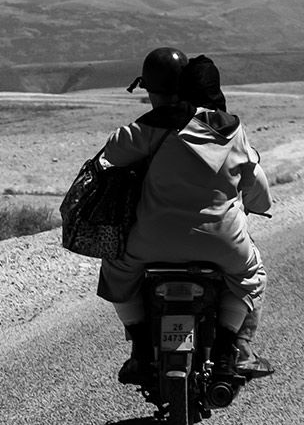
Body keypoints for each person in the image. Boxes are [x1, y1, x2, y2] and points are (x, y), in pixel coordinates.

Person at [95, 47, 274, 384]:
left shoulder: (155, 125)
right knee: (251, 274)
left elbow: (113, 151)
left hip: (151, 241)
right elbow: (256, 185)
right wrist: (259, 206)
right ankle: (230, 351)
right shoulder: (233, 129)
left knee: (116, 267)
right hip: (222, 242)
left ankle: (140, 351)